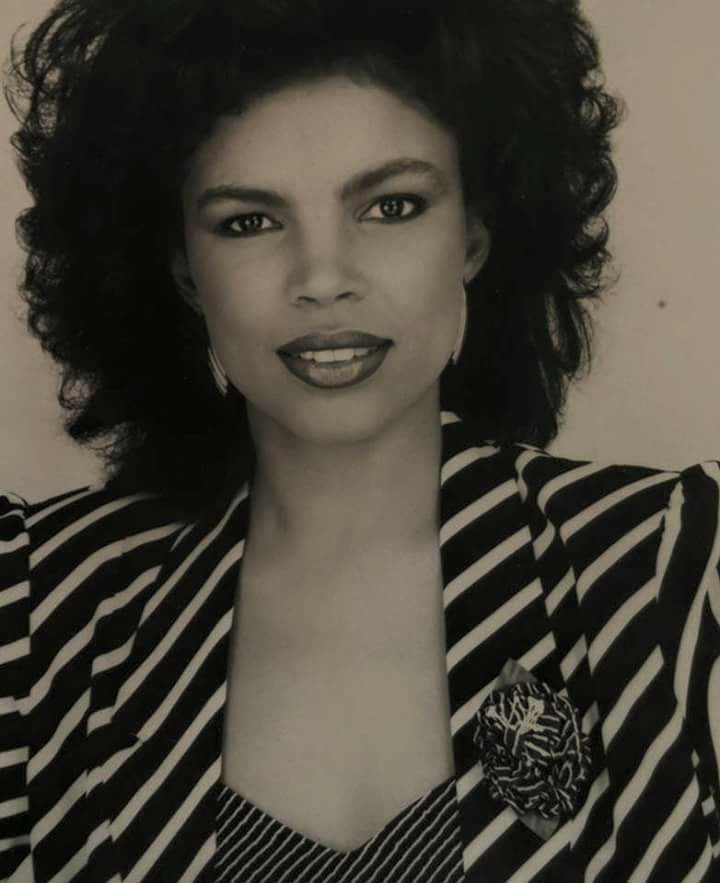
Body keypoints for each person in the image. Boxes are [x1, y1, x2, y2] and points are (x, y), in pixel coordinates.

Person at [0, 0, 718, 880]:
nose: (323, 278)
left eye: (391, 205)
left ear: (474, 236)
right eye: (249, 220)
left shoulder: (677, 570)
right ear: (184, 269)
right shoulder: (31, 611)